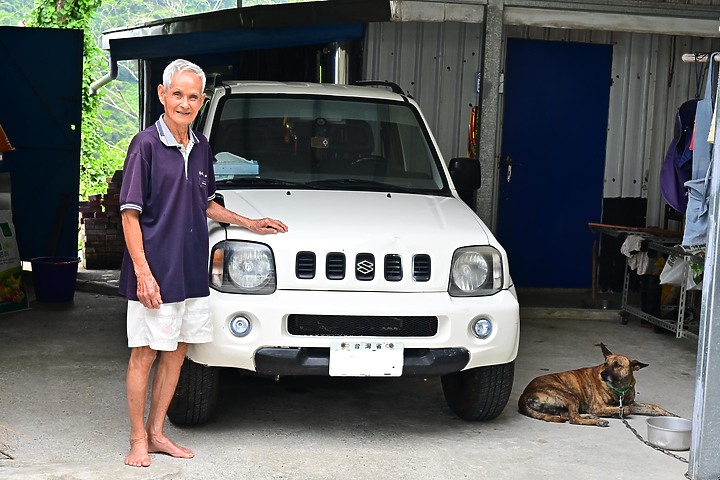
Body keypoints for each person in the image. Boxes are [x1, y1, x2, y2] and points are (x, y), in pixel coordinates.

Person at [119, 58, 288, 468]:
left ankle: (158, 433)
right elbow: (129, 214)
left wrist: (250, 221)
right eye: (177, 94)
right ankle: (137, 439)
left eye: (193, 96)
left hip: (191, 271)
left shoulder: (201, 147)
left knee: (177, 352)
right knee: (145, 353)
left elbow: (206, 202)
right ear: (162, 95)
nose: (184, 103)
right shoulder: (145, 145)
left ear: (202, 101)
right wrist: (143, 273)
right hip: (155, 271)